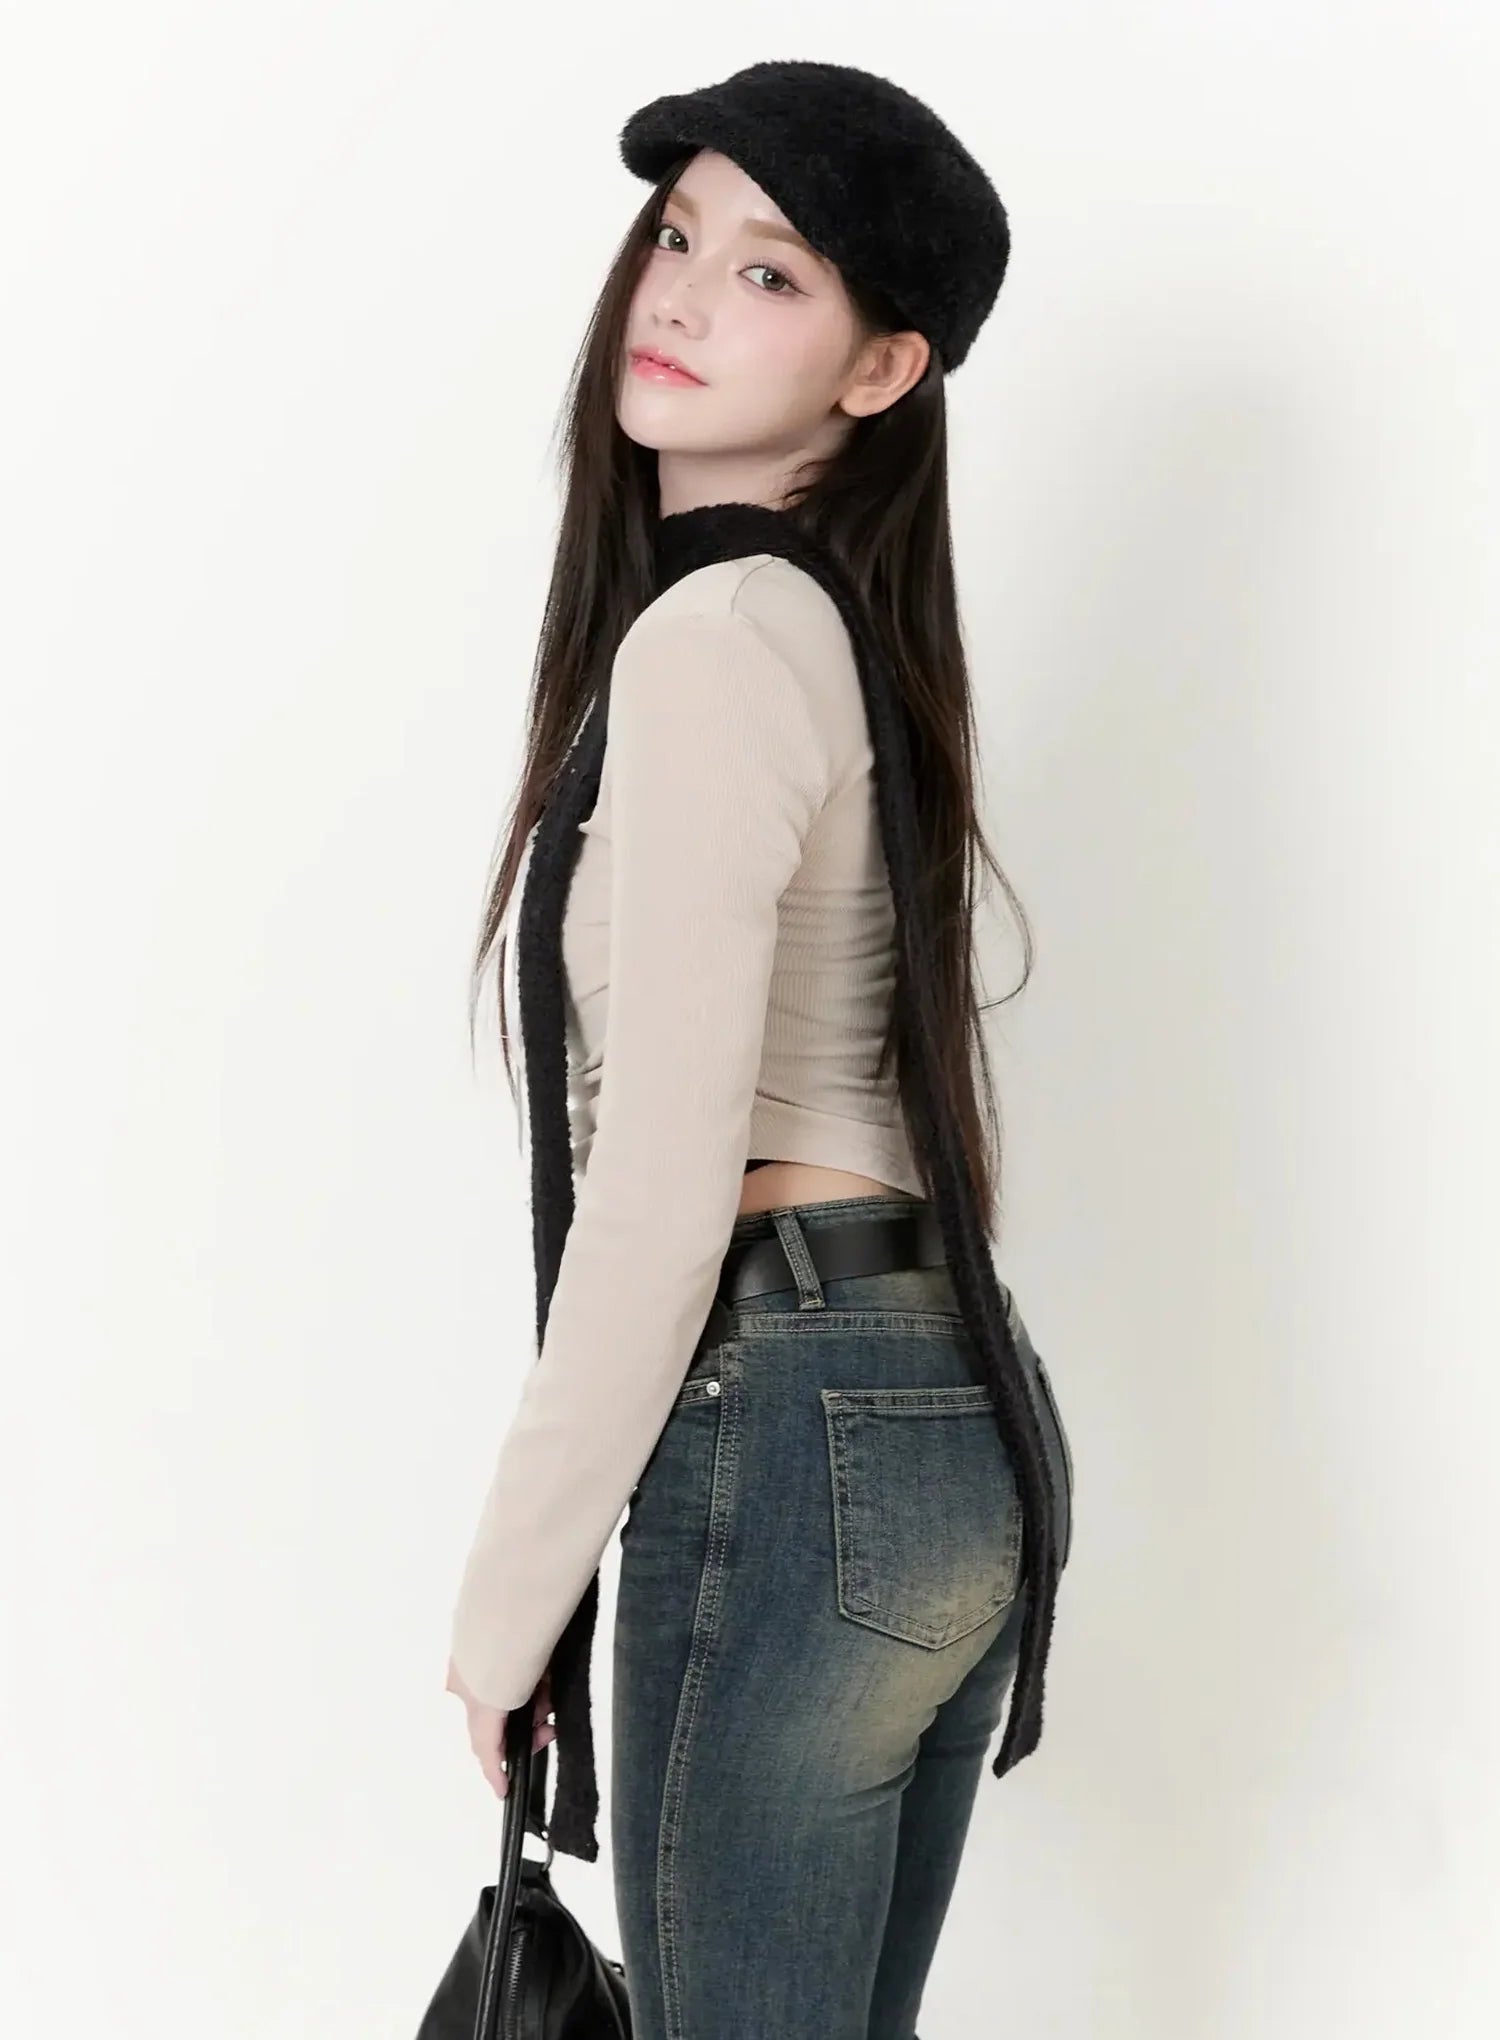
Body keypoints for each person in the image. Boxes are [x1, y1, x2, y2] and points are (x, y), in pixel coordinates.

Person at [442, 60, 1075, 2040]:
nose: (685, 292)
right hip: (940, 1413)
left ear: (883, 372)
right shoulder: (836, 634)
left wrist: (512, 1600)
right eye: (678, 234)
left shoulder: (717, 642)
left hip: (793, 1422)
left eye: (772, 273)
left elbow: (662, 1186)